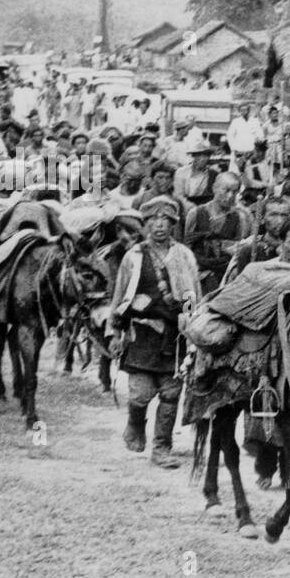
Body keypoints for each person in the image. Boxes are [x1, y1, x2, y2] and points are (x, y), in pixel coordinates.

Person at [109, 195, 201, 469]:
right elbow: (120, 296)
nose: (159, 225)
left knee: (170, 394)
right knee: (139, 394)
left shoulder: (184, 256)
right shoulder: (134, 257)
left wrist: (187, 316)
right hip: (142, 335)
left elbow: (191, 293)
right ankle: (135, 425)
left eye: (165, 220)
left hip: (174, 336)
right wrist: (115, 331)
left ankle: (162, 448)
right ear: (145, 224)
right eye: (153, 220)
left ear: (173, 224)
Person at [185, 172, 253, 294]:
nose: (230, 196)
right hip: (196, 272)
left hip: (224, 274)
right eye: (226, 190)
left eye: (235, 192)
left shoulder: (239, 217)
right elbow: (187, 248)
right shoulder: (196, 213)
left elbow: (239, 251)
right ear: (214, 188)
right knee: (190, 309)